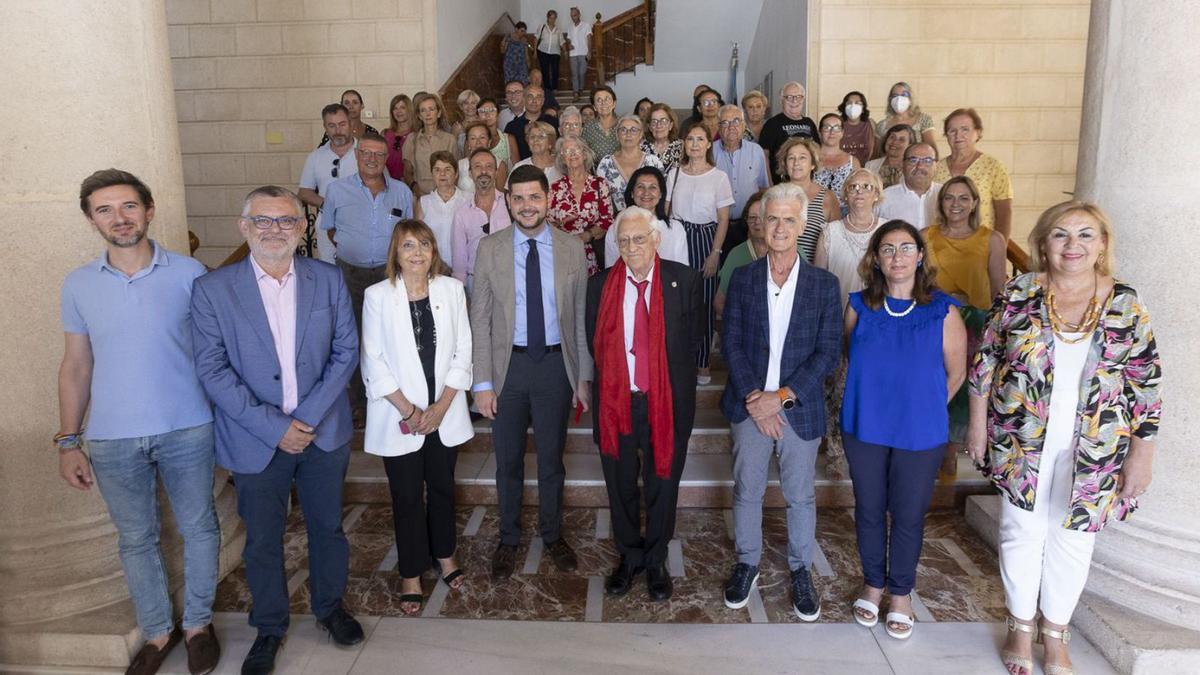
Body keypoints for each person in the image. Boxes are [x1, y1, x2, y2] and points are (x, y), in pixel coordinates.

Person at [967, 201, 1161, 675]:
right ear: (1042, 243)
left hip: (1097, 445)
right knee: (1020, 532)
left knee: (1074, 537)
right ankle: (1019, 626)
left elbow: (1147, 385)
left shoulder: (1125, 304)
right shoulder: (1019, 292)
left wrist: (1142, 454)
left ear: (1102, 244)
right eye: (1060, 235)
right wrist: (977, 426)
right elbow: (985, 363)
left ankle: (1055, 634)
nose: (1072, 245)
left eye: (1085, 235)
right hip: (1022, 436)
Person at [191, 186, 362, 675]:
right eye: (262, 221)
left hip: (321, 434)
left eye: (286, 221)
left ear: (300, 229)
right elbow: (212, 368)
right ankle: (269, 626)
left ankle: (330, 609)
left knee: (327, 528)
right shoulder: (213, 290)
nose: (274, 230)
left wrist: (303, 420)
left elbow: (345, 352)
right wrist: (275, 427)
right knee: (263, 539)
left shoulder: (327, 280)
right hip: (254, 439)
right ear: (244, 228)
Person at [58, 170, 220, 675]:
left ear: (149, 210)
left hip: (187, 425)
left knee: (198, 527)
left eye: (128, 206)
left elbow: (214, 352)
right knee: (135, 539)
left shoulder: (190, 272)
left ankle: (197, 624)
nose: (119, 218)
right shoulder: (79, 284)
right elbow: (76, 365)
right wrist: (68, 440)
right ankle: (156, 632)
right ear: (91, 220)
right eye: (104, 209)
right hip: (111, 437)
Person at [720, 183, 841, 621]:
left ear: (803, 225)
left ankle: (800, 571)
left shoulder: (824, 285)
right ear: (761, 224)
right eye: (773, 218)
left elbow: (827, 351)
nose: (780, 227)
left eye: (790, 219)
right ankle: (747, 563)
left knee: (799, 495)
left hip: (797, 408)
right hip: (749, 406)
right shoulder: (744, 278)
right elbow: (730, 340)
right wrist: (757, 398)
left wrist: (781, 398)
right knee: (747, 490)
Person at [842, 220, 967, 640]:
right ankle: (873, 585)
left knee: (909, 513)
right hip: (865, 425)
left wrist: (922, 407)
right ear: (876, 258)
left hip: (920, 431)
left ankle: (901, 594)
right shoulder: (858, 306)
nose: (897, 256)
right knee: (869, 508)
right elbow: (849, 355)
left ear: (920, 255)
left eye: (906, 247)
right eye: (888, 248)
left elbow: (956, 373)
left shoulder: (944, 310)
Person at [470, 165, 593, 581]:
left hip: (555, 367)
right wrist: (482, 382)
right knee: (506, 461)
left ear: (548, 199)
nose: (526, 205)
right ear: (508, 201)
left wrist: (583, 377)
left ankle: (552, 533)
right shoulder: (490, 248)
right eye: (518, 198)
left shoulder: (572, 247)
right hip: (508, 370)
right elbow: (480, 319)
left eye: (534, 197)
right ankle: (508, 538)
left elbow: (579, 319)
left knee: (551, 460)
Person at [585, 207, 703, 601]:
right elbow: (593, 344)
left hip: (666, 403)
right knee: (619, 484)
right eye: (624, 240)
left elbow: (692, 343)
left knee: (662, 482)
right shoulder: (600, 286)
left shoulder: (683, 280)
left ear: (656, 239)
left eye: (639, 238)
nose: (631, 247)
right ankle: (629, 556)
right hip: (617, 402)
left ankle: (655, 559)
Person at [361, 220, 473, 616]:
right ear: (396, 252)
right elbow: (372, 360)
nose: (417, 253)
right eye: (408, 245)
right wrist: (411, 411)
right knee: (407, 496)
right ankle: (411, 571)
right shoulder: (377, 296)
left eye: (424, 244)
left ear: (433, 251)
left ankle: (445, 555)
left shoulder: (452, 289)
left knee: (442, 487)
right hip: (399, 413)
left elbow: (464, 351)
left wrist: (440, 408)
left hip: (444, 411)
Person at [321, 131, 414, 426]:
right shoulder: (337, 190)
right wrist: (357, 250)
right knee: (355, 339)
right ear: (358, 156)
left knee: (392, 337)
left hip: (390, 276)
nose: (372, 159)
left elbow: (408, 234)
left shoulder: (402, 192)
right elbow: (331, 230)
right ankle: (360, 402)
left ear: (387, 159)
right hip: (352, 275)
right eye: (366, 153)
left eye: (379, 154)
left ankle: (395, 400)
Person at [665, 121, 734, 384]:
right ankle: (679, 359)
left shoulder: (718, 177)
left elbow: (724, 219)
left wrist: (715, 252)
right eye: (690, 139)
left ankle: (703, 362)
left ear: (708, 144)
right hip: (678, 237)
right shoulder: (674, 173)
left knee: (703, 304)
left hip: (706, 238)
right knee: (677, 302)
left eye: (699, 139)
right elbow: (667, 211)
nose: (694, 144)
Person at [924, 176, 1007, 312]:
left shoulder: (993, 239)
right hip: (933, 314)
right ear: (941, 203)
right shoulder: (924, 236)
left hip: (977, 318)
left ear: (974, 204)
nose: (955, 204)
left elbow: (998, 291)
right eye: (949, 198)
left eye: (964, 198)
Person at [932, 108, 1014, 238]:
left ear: (978, 132)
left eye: (965, 129)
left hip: (981, 247)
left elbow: (1004, 214)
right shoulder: (935, 168)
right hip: (942, 247)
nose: (958, 135)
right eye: (952, 131)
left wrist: (999, 249)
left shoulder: (993, 167)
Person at [299, 103, 359, 264]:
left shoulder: (366, 152)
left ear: (350, 123)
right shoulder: (315, 157)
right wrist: (328, 204)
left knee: (360, 271)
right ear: (325, 127)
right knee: (330, 271)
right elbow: (304, 192)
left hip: (361, 224)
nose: (338, 130)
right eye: (332, 125)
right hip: (326, 223)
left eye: (342, 124)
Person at [548, 136, 614, 274]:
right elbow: (548, 224)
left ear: (584, 154)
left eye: (576, 149)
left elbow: (607, 220)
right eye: (566, 151)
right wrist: (560, 223)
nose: (572, 154)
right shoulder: (554, 188)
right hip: (564, 253)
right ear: (562, 158)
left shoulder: (599, 184)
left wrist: (587, 235)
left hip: (592, 253)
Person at [451, 148, 512, 293]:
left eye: (489, 166)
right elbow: (459, 259)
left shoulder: (511, 204)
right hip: (476, 282)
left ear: (496, 172)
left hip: (508, 279)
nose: (484, 171)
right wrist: (462, 294)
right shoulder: (461, 213)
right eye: (478, 166)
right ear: (470, 174)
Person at [713, 104, 771, 256]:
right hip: (717, 226)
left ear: (744, 125)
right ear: (718, 127)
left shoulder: (756, 151)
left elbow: (764, 188)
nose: (731, 126)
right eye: (725, 122)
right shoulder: (709, 152)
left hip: (748, 225)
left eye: (736, 121)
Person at [604, 166, 688, 269]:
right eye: (640, 187)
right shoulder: (615, 229)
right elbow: (611, 271)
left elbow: (682, 271)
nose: (646, 193)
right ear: (632, 193)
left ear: (661, 194)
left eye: (652, 187)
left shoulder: (675, 229)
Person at [778, 137, 840, 263]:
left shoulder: (828, 197)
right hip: (779, 269)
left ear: (813, 164)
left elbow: (835, 241)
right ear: (785, 164)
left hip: (813, 272)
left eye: (802, 157)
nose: (796, 163)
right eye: (791, 158)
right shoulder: (775, 195)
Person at [715, 190, 767, 317]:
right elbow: (719, 302)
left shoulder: (791, 251)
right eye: (752, 217)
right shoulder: (736, 254)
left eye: (762, 216)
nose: (757, 222)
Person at [414, 151, 470, 269]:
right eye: (437, 170)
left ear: (456, 174)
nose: (442, 174)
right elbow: (418, 238)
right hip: (433, 268)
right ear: (432, 174)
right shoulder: (424, 202)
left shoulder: (468, 199)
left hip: (462, 267)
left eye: (448, 169)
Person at [595, 114, 664, 210]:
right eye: (623, 130)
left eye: (634, 130)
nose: (628, 134)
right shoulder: (606, 163)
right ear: (617, 135)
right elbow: (600, 197)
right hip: (616, 221)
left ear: (640, 135)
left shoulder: (653, 161)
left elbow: (662, 194)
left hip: (648, 220)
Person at [758, 81, 819, 184]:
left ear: (803, 99)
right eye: (789, 97)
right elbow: (764, 156)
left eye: (798, 97)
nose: (794, 101)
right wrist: (769, 182)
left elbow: (817, 153)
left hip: (808, 182)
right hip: (781, 183)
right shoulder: (772, 124)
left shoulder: (809, 123)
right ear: (782, 100)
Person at [403, 92, 459, 197]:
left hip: (445, 195)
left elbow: (455, 171)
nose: (428, 114)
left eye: (431, 109)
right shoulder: (411, 139)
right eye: (423, 110)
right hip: (419, 195)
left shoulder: (450, 139)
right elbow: (407, 172)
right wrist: (416, 189)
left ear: (438, 113)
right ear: (419, 115)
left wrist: (447, 195)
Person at [877, 142, 941, 231]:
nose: (920, 166)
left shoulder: (946, 195)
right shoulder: (884, 198)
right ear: (902, 165)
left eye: (927, 161)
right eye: (913, 160)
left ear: (936, 166)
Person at [815, 112, 861, 212]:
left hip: (845, 213)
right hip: (814, 212)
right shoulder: (810, 158)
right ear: (819, 132)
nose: (832, 132)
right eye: (827, 128)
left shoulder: (853, 162)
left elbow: (858, 192)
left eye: (836, 128)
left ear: (842, 133)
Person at [875, 82, 937, 148]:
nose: (899, 99)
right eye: (895, 95)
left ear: (910, 99)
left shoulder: (923, 120)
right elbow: (876, 152)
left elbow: (932, 149)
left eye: (904, 95)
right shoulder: (882, 125)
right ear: (890, 100)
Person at [504, 85, 559, 160]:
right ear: (524, 99)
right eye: (530, 97)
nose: (534, 101)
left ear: (543, 101)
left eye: (538, 97)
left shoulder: (554, 123)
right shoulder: (512, 126)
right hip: (521, 169)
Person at [459, 122, 509, 191]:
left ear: (489, 141)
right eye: (473, 138)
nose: (478, 142)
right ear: (468, 143)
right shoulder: (459, 165)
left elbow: (502, 195)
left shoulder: (500, 164)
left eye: (482, 137)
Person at [865, 124, 916, 189]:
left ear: (909, 146)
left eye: (901, 139)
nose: (894, 142)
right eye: (892, 137)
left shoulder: (914, 169)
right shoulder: (870, 166)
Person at [476, 96, 518, 172]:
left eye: (491, 110)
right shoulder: (471, 140)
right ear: (478, 116)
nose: (487, 114)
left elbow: (517, 168)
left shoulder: (509, 139)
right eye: (482, 111)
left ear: (498, 114)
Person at [641, 103, 683, 174]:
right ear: (650, 127)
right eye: (654, 122)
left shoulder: (681, 146)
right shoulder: (640, 147)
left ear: (670, 125)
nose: (658, 125)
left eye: (663, 121)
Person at [582, 86, 620, 161]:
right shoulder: (588, 128)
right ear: (594, 107)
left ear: (614, 104)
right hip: (597, 171)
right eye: (599, 100)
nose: (603, 103)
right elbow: (584, 154)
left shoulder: (623, 124)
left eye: (607, 99)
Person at [838, 91, 875, 167]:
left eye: (857, 103)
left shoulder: (870, 124)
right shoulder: (838, 124)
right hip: (841, 168)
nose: (853, 106)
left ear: (863, 108)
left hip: (865, 169)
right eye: (849, 103)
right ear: (844, 107)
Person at [383, 94, 413, 183]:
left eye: (402, 107)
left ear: (409, 110)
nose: (398, 111)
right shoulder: (385, 133)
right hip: (387, 182)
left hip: (409, 184)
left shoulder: (416, 134)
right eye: (395, 108)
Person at [535, 10, 565, 96]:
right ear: (547, 18)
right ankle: (547, 89)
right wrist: (534, 52)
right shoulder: (542, 27)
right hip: (543, 51)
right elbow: (536, 38)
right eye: (551, 17)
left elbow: (562, 42)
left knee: (555, 70)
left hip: (555, 52)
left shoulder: (558, 30)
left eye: (554, 18)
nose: (552, 19)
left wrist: (565, 51)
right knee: (545, 71)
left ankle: (554, 88)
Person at [566, 6, 593, 97]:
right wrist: (569, 44)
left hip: (583, 53)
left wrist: (589, 52)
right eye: (571, 16)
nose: (573, 17)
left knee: (582, 72)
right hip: (573, 54)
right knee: (574, 73)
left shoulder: (586, 25)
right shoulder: (569, 27)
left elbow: (589, 39)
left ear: (579, 15)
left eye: (575, 15)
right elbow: (569, 39)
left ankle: (581, 88)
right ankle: (576, 92)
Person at [501, 21, 532, 86]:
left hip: (521, 66)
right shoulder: (508, 38)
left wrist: (528, 64)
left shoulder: (524, 40)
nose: (523, 33)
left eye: (524, 31)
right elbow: (502, 51)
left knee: (522, 83)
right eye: (521, 31)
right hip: (510, 65)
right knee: (510, 84)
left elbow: (526, 54)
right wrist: (503, 42)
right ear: (516, 29)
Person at [452, 88, 481, 153]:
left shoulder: (483, 122)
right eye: (466, 103)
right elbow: (453, 150)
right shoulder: (457, 127)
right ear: (461, 106)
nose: (470, 106)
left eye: (473, 103)